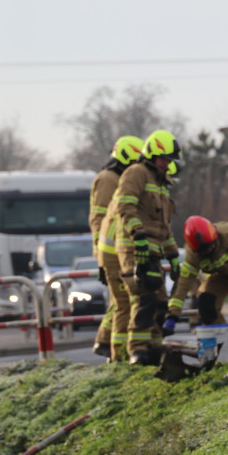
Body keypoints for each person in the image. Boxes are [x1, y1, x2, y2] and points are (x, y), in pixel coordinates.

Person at [115, 130, 182, 366]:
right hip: (134, 248)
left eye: (170, 160)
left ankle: (154, 346)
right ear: (153, 155)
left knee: (161, 302)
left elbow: (163, 227)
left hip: (153, 250)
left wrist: (173, 255)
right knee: (146, 298)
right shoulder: (136, 173)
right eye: (164, 159)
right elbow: (125, 207)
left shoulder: (161, 184)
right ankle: (137, 349)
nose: (167, 164)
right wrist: (138, 235)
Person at [163, 217, 228, 350]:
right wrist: (172, 315)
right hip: (224, 274)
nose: (208, 251)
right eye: (203, 250)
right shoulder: (192, 256)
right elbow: (182, 286)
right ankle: (224, 344)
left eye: (211, 246)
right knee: (206, 301)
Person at [90, 135, 144, 360]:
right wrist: (100, 253)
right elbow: (100, 218)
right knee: (123, 302)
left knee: (119, 302)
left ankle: (105, 342)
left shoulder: (118, 178)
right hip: (111, 251)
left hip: (115, 249)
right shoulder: (108, 179)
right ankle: (112, 348)